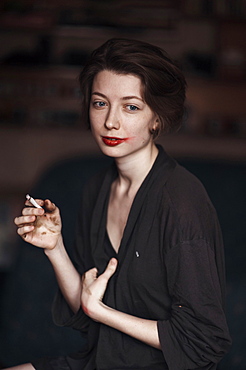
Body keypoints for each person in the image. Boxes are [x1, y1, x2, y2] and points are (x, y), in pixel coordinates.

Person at [12, 38, 231, 370]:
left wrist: (104, 313)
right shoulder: (97, 188)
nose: (110, 121)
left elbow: (204, 343)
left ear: (157, 118)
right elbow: (87, 311)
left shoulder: (181, 203)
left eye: (131, 106)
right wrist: (54, 247)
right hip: (100, 360)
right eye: (100, 103)